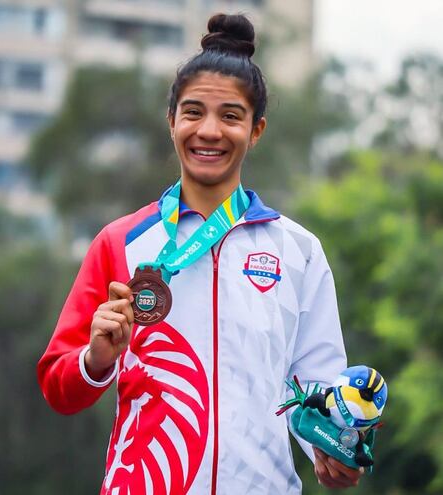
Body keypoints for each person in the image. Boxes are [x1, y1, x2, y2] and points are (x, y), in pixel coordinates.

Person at [38, 13, 363, 494]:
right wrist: (97, 359)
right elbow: (58, 388)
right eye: (193, 112)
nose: (209, 130)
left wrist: (331, 446)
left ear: (256, 130)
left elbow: (317, 391)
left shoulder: (299, 252)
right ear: (171, 122)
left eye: (231, 116)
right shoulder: (120, 243)